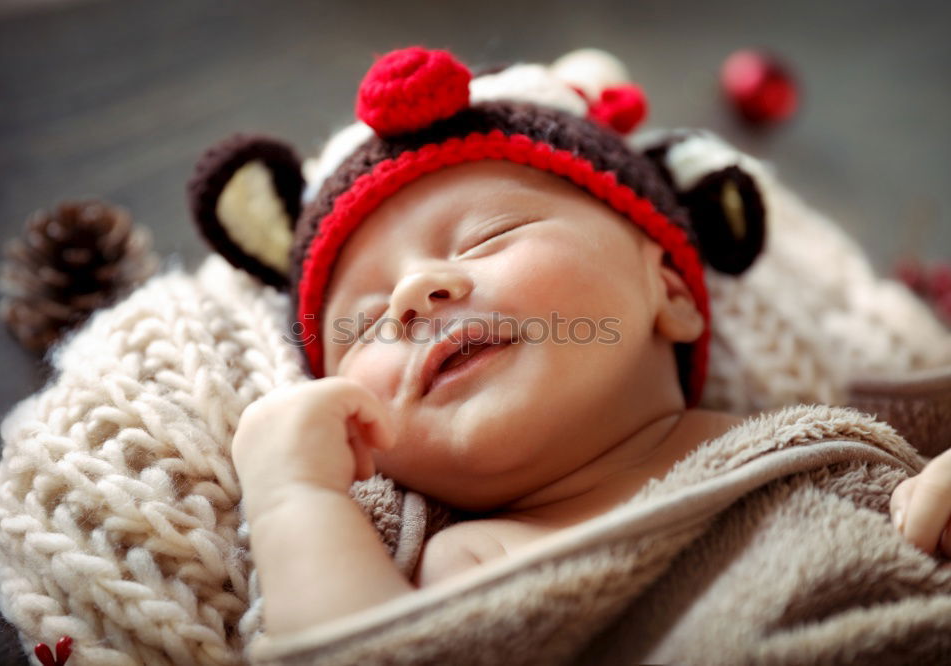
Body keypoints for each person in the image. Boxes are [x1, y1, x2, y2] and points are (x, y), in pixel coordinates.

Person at [189, 46, 951, 641]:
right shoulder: (466, 564)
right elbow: (360, 650)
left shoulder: (827, 433)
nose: (412, 297)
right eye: (361, 326)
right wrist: (294, 495)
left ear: (675, 295)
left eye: (490, 235)